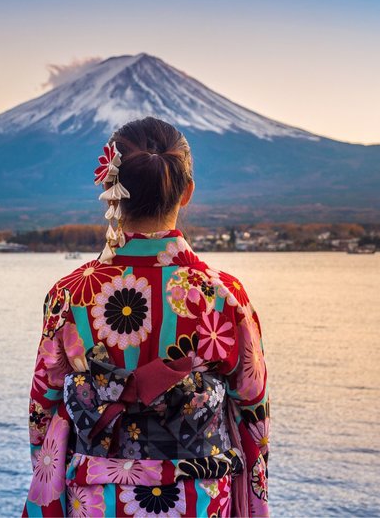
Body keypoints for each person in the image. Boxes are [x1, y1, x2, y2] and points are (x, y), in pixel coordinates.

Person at [22, 117, 270, 517]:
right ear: (187, 193)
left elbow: (42, 410)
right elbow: (253, 417)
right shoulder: (224, 296)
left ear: (110, 191)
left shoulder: (70, 295)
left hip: (97, 498)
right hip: (200, 497)